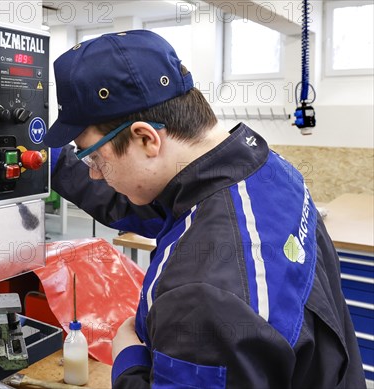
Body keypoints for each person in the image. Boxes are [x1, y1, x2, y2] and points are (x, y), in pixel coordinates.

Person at [43, 30, 366, 388]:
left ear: (147, 138)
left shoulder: (201, 293)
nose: (94, 173)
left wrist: (129, 361)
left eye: (94, 158)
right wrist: (48, 156)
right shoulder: (266, 170)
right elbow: (145, 202)